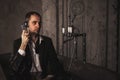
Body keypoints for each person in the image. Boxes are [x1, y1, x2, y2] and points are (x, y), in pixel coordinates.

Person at [9, 11, 65, 80]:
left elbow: (54, 63)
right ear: (26, 25)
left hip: (44, 76)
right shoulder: (18, 43)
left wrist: (48, 77)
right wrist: (23, 44)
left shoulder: (47, 41)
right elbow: (14, 69)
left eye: (39, 23)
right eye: (34, 23)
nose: (38, 26)